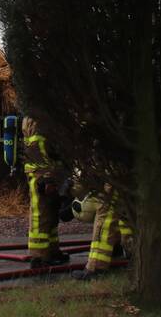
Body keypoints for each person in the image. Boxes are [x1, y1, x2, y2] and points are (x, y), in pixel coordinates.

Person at [17, 116, 70, 267]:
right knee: (41, 215)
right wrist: (48, 178)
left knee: (51, 214)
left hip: (46, 174)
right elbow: (41, 153)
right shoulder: (37, 122)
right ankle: (40, 256)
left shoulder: (37, 118)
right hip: (41, 176)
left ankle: (52, 251)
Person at [71, 190, 132, 280]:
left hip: (112, 188)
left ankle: (96, 267)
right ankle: (132, 255)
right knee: (125, 221)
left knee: (105, 223)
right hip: (123, 186)